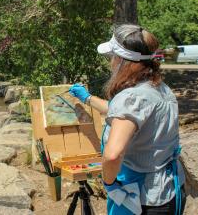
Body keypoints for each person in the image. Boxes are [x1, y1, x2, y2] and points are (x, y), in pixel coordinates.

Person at [69, 24, 186, 215]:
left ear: (126, 62)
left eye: (113, 57)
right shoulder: (158, 87)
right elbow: (125, 115)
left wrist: (109, 182)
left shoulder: (132, 97)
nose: (111, 63)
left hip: (142, 199)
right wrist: (87, 98)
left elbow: (113, 154)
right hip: (169, 190)